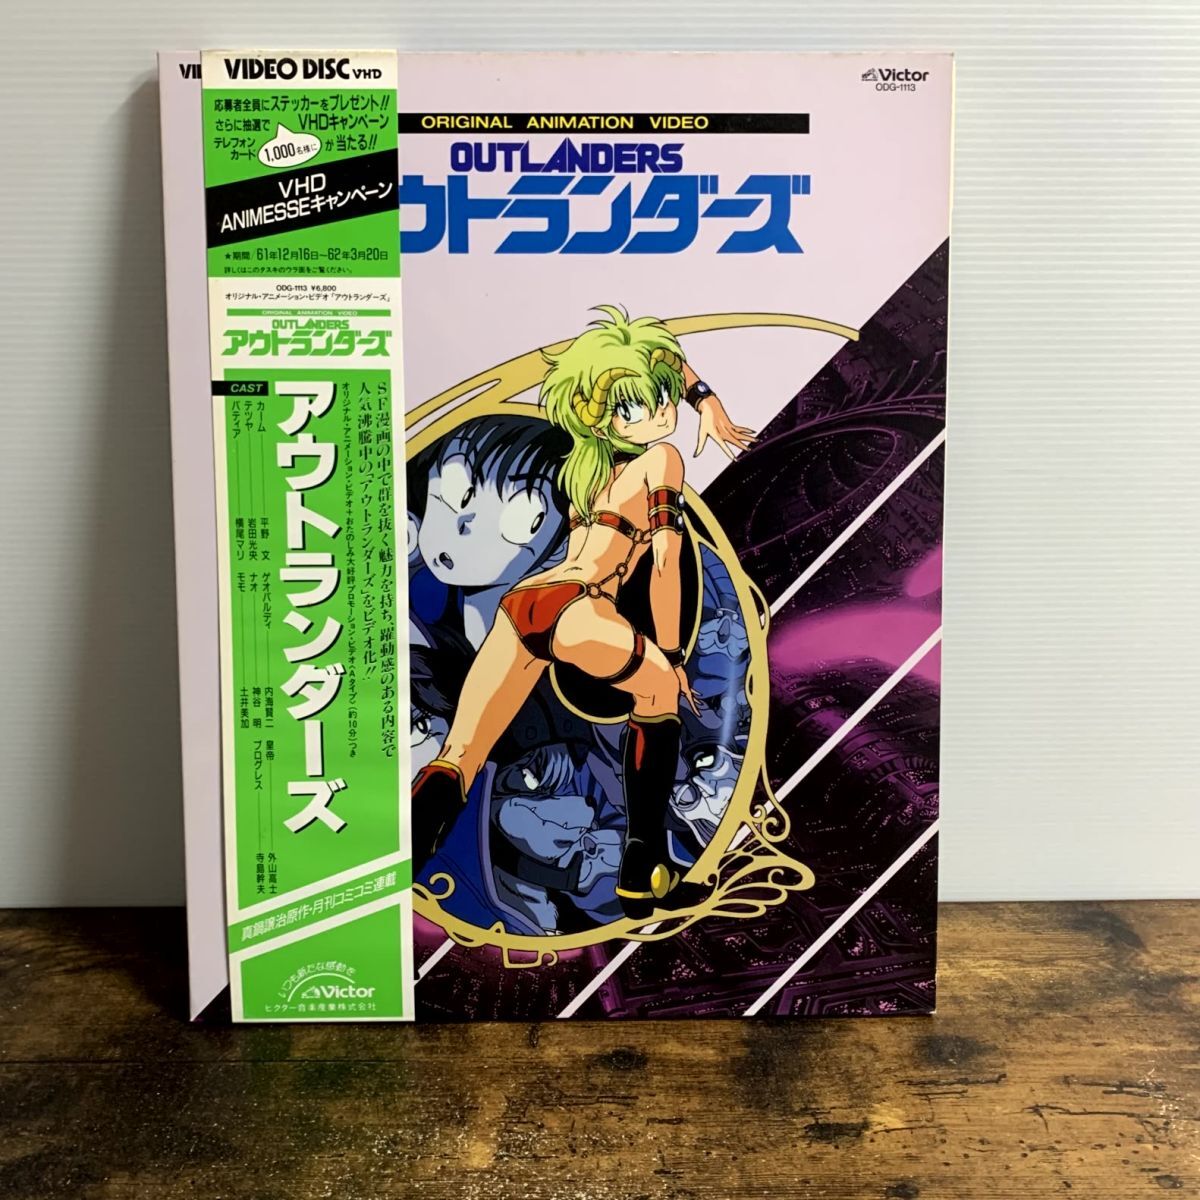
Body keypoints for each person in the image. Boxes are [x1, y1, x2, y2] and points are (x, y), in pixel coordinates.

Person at [411, 305, 755, 917]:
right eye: (638, 405)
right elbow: (668, 555)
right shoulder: (660, 460)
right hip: (579, 608)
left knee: (458, 758)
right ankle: (644, 871)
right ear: (605, 413)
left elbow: (659, 359)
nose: (661, 414)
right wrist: (669, 654)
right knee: (658, 697)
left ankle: (391, 871)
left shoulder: (585, 465)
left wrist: (705, 400)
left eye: (662, 399)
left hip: (524, 606)